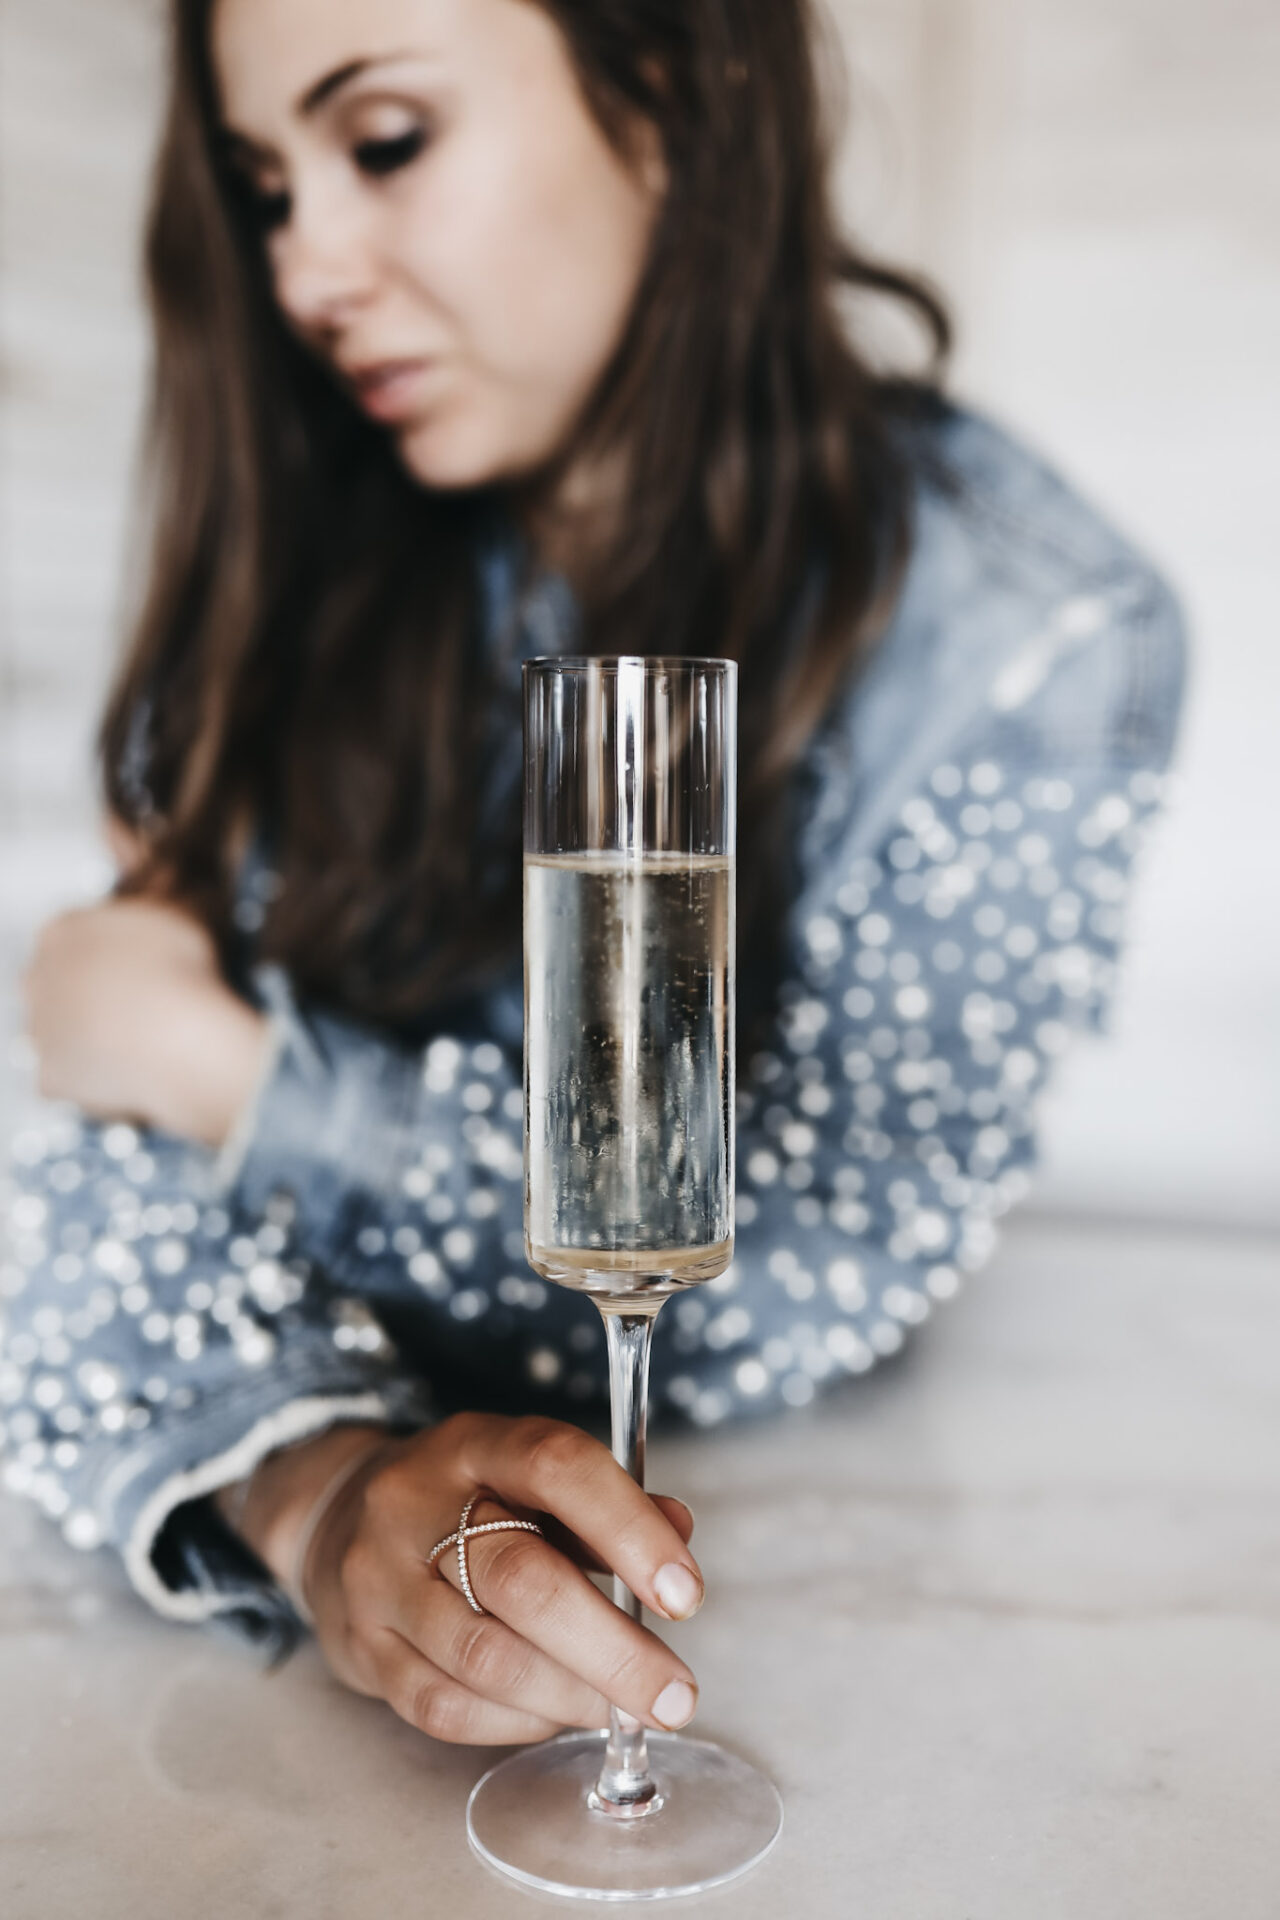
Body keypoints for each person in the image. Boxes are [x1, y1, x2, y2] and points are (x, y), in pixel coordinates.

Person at [1, 0, 1186, 1750]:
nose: (307, 270)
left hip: (853, 1622)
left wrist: (235, 1081)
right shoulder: (291, 582)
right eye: (264, 188)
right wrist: (319, 1499)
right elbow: (84, 1216)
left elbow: (815, 1265)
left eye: (385, 140)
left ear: (673, 86)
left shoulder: (1028, 635)